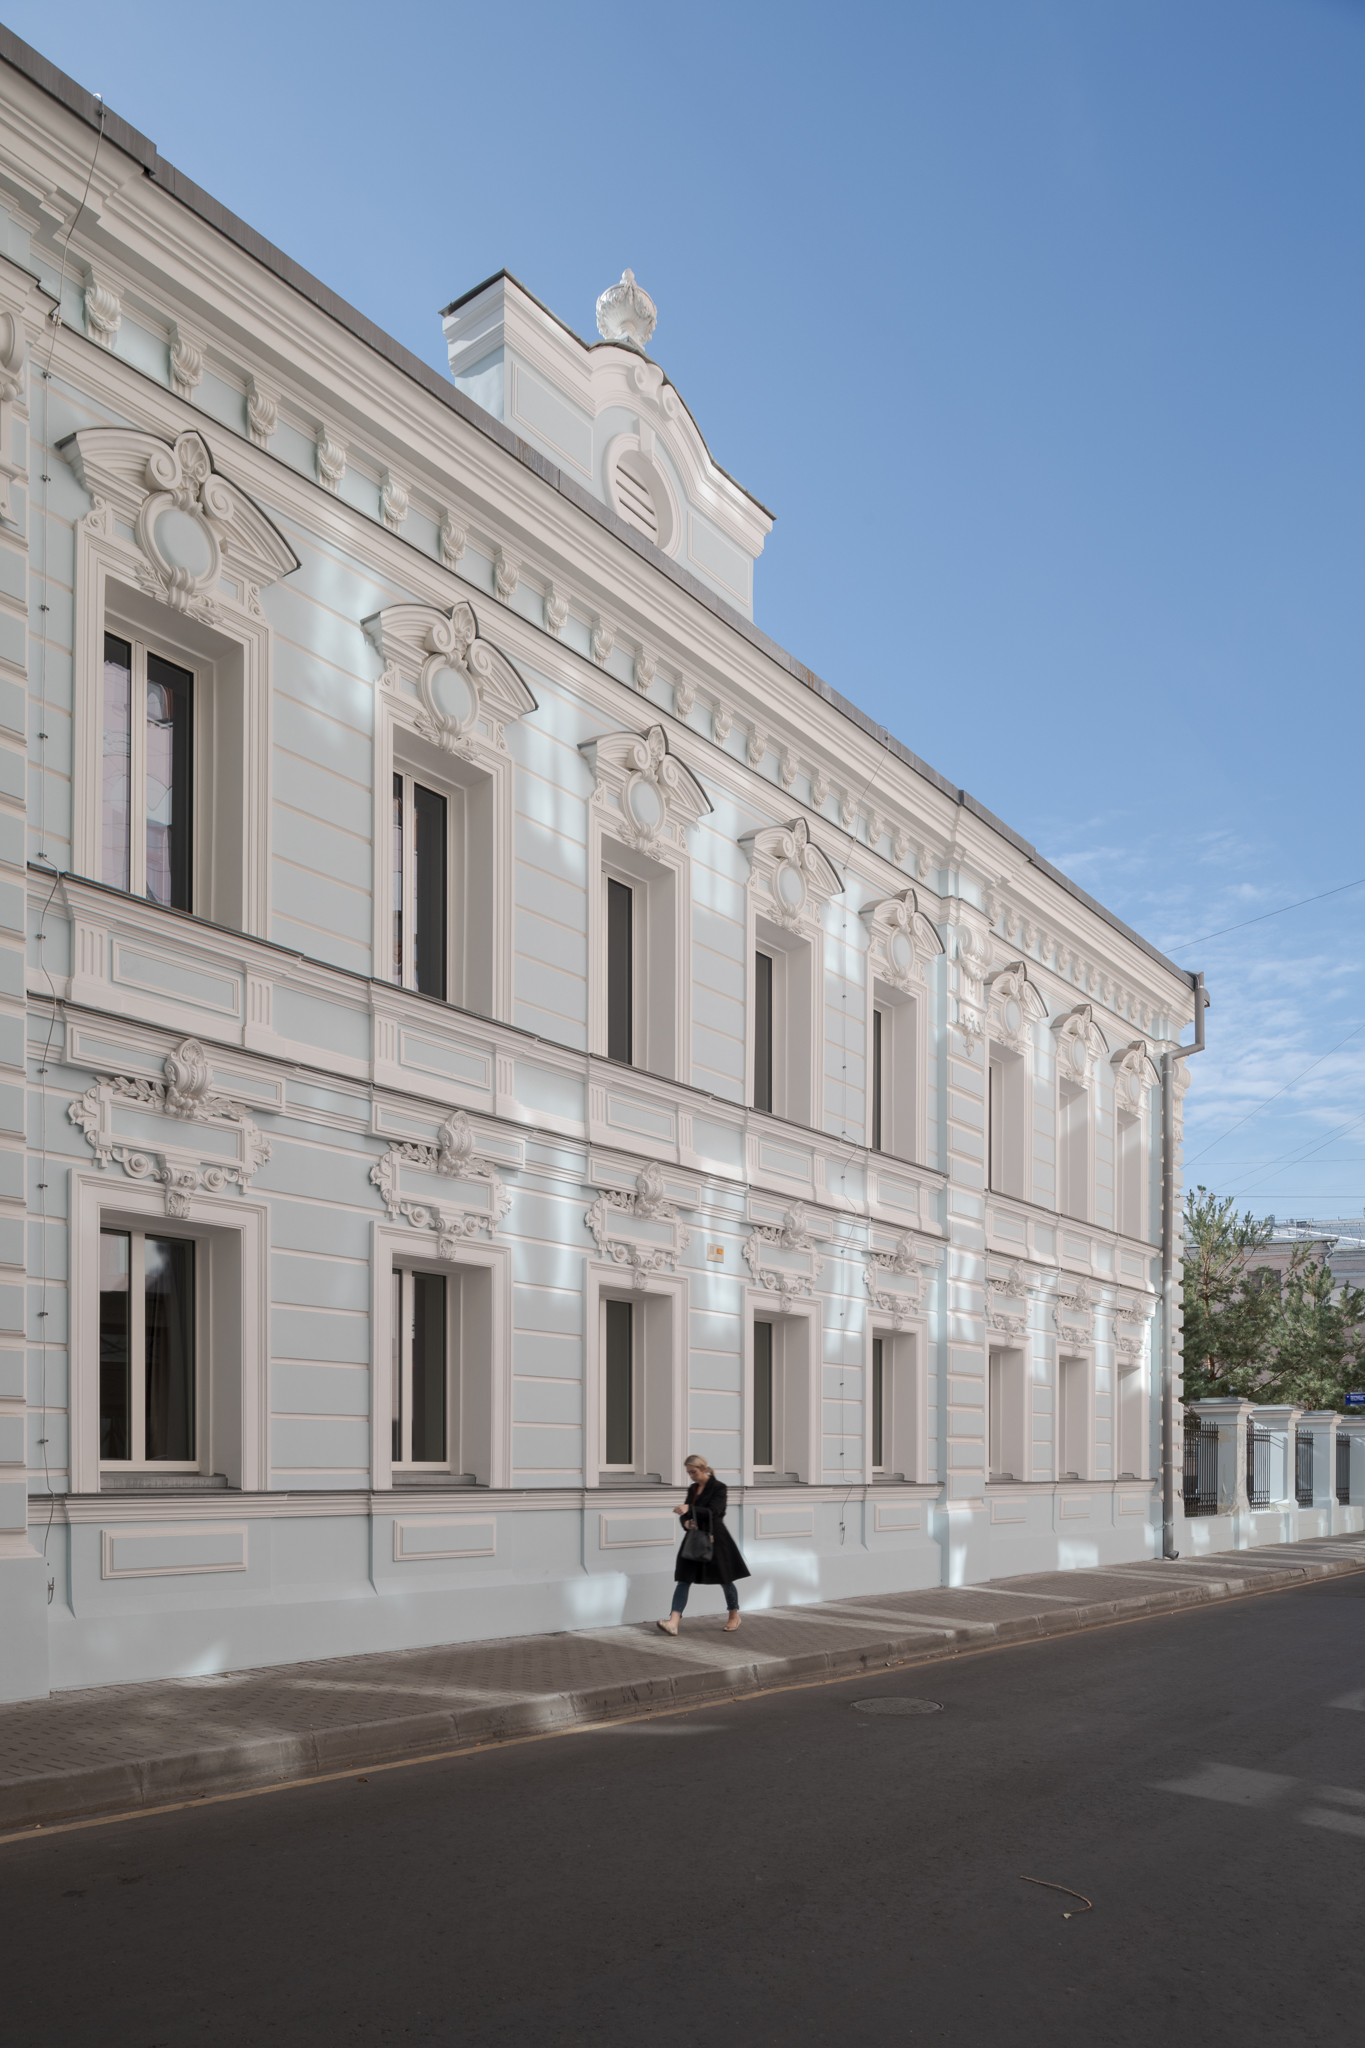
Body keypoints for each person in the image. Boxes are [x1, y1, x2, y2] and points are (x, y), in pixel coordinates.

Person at [658, 1454, 750, 1633]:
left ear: (703, 1469)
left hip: (716, 1539)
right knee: (683, 1579)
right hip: (694, 1538)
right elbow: (686, 1514)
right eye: (689, 1473)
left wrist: (690, 1509)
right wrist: (686, 1521)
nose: (691, 1476)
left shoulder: (719, 1488)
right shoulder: (693, 1489)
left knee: (725, 1579)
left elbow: (715, 1511)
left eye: (693, 1472)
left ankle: (734, 1616)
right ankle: (673, 1622)